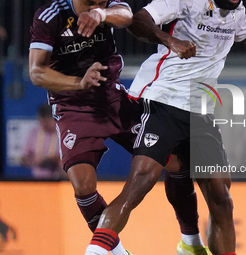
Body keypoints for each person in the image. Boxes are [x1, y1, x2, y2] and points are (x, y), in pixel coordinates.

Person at [83, 0, 246, 255]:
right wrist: (171, 41)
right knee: (141, 180)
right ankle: (97, 250)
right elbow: (138, 21)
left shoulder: (236, 10)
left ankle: (192, 245)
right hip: (164, 100)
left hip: (200, 113)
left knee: (221, 198)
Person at [29, 1, 207, 254]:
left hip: (115, 101)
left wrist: (101, 13)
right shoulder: (50, 16)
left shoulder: (105, 5)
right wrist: (79, 82)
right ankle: (117, 251)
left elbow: (126, 16)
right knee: (83, 186)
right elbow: (36, 72)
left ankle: (190, 242)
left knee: (177, 162)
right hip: (73, 108)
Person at [21, 103, 66, 179]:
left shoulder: (63, 133)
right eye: (42, 121)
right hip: (37, 179)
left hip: (59, 178)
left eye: (48, 121)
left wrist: (51, 159)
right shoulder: (34, 132)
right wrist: (33, 160)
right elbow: (24, 158)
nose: (45, 124)